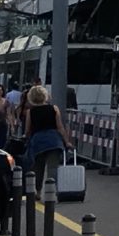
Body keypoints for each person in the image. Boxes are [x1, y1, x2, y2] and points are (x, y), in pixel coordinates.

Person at [20, 80, 70, 213]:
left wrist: (26, 137)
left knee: (38, 167)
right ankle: (52, 191)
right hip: (54, 141)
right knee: (53, 168)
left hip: (38, 142)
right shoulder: (54, 109)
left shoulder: (31, 112)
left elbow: (28, 130)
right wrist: (67, 141)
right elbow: (60, 127)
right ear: (45, 96)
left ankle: (38, 191)